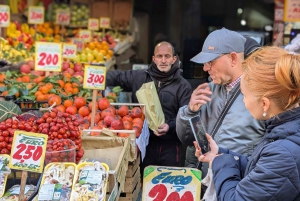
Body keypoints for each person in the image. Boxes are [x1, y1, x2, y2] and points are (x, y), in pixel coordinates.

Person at [195, 46, 300, 200]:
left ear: (264, 104)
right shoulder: (284, 132)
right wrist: (221, 153)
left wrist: (220, 162)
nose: (243, 101)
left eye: (244, 95)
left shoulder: (283, 153)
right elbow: (258, 169)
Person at [176, 28, 265, 177]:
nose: (205, 68)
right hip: (204, 182)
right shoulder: (207, 90)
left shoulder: (261, 95)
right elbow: (186, 138)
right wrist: (189, 111)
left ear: (233, 58)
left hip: (237, 184)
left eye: (210, 62)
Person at [106, 41, 192, 175]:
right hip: (144, 145)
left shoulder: (183, 86)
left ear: (174, 59)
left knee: (169, 184)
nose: (163, 60)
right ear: (154, 58)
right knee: (141, 183)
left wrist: (169, 126)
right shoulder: (139, 77)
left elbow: (186, 116)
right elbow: (116, 77)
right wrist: (94, 74)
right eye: (159, 56)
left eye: (167, 56)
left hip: (170, 146)